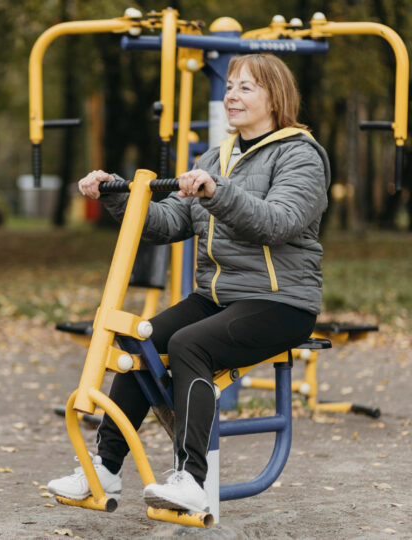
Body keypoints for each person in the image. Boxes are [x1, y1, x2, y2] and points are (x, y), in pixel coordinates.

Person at [47, 54, 331, 514]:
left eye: (246, 88)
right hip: (217, 297)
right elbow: (165, 223)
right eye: (230, 86)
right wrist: (119, 194)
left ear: (274, 99)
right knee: (140, 340)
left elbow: (278, 222)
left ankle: (190, 480)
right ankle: (104, 467)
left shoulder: (300, 154)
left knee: (189, 345)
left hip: (280, 301)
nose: (232, 95)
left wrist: (218, 192)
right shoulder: (215, 156)